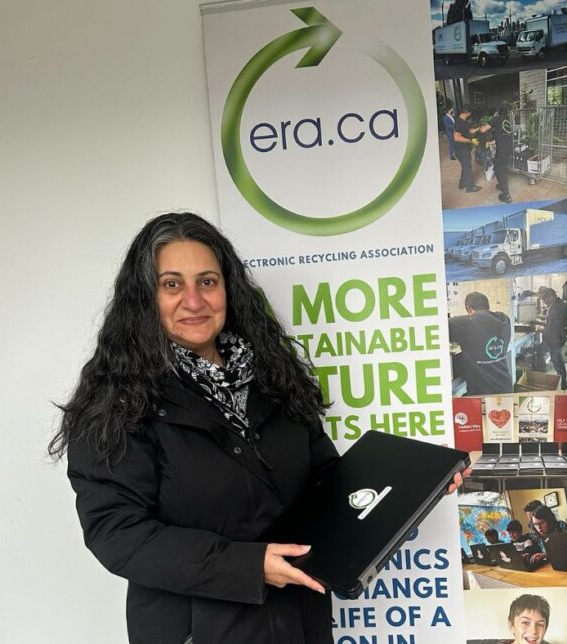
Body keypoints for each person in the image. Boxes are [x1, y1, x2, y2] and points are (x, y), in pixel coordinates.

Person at [49, 212, 466, 644]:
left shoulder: (273, 377)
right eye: (172, 284)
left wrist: (415, 484)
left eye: (207, 281)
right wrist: (249, 566)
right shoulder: (117, 400)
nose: (193, 300)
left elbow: (326, 487)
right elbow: (117, 533)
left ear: (228, 288)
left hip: (300, 622)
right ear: (143, 296)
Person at [448, 291, 512, 395]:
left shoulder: (467, 324)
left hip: (483, 393)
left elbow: (441, 325)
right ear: (487, 306)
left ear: (468, 308)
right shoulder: (504, 320)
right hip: (506, 388)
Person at [480, 107, 514, 203]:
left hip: (502, 150)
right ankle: (501, 185)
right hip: (509, 149)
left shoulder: (497, 119)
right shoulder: (508, 122)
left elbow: (483, 130)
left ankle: (506, 195)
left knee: (500, 170)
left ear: (498, 113)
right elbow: (502, 136)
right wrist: (491, 142)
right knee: (501, 167)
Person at [537, 287, 567, 390]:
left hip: (555, 340)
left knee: (557, 362)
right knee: (557, 360)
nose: (544, 302)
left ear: (551, 297)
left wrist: (542, 329)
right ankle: (562, 382)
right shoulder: (557, 304)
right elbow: (552, 323)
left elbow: (554, 327)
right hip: (556, 338)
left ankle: (563, 384)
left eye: (544, 299)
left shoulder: (556, 308)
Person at [453, 105, 481, 193]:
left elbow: (467, 131)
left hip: (463, 149)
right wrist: (470, 140)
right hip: (461, 150)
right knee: (468, 167)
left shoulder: (463, 121)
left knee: (465, 166)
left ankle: (462, 183)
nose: (470, 115)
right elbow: (456, 137)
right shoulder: (459, 122)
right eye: (469, 113)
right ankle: (470, 187)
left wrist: (477, 129)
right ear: (466, 112)